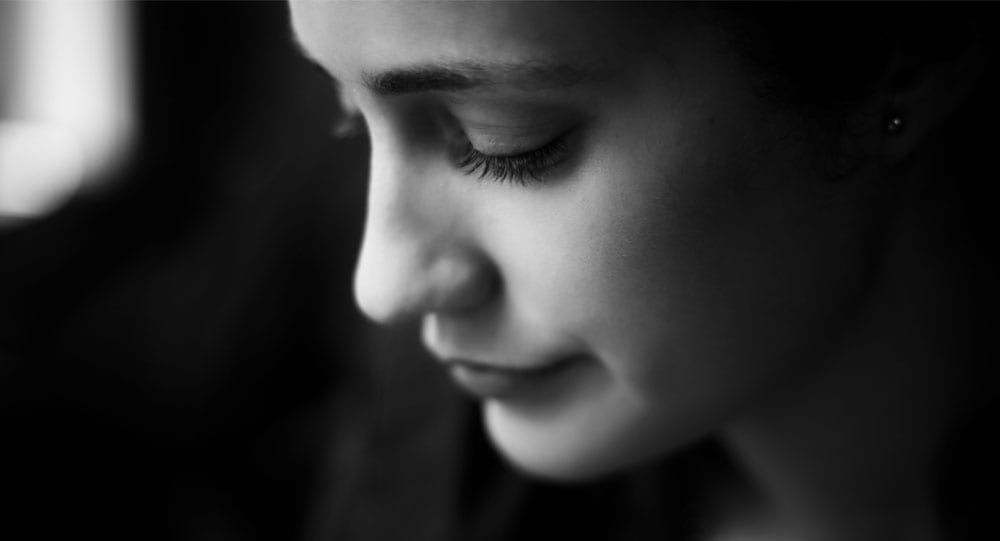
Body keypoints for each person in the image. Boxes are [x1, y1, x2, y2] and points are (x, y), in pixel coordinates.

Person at [290, 2, 999, 540]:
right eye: (350, 116)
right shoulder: (425, 473)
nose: (382, 285)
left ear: (908, 64)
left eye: (502, 139)